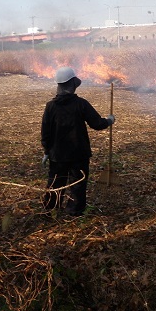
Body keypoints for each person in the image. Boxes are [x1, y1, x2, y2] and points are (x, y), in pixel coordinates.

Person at [41, 67, 115, 216]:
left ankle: (50, 210)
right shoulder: (81, 104)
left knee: (55, 183)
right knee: (78, 184)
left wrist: (47, 151)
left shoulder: (51, 106)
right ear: (73, 84)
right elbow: (97, 124)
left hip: (58, 155)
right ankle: (74, 211)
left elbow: (45, 132)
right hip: (78, 153)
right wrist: (109, 120)